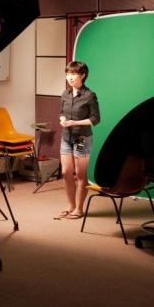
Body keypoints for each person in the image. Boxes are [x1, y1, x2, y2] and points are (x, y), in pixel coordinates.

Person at [57, 61, 100, 220]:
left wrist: (75, 123)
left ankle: (79, 209)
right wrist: (62, 119)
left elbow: (95, 119)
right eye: (68, 73)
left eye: (73, 74)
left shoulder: (89, 95)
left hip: (82, 139)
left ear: (82, 75)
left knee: (80, 174)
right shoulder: (65, 94)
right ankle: (71, 205)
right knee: (66, 172)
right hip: (66, 138)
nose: (70, 77)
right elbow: (61, 112)